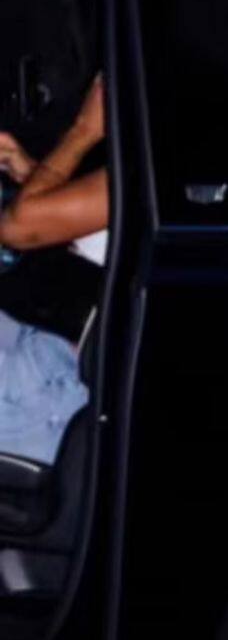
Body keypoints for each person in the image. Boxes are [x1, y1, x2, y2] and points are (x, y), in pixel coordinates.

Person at [0, 70, 107, 465]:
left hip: (49, 384)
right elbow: (72, 230)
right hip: (45, 343)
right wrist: (30, 171)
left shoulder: (149, 167)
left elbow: (19, 227)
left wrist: (84, 130)